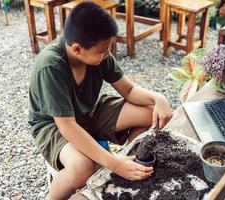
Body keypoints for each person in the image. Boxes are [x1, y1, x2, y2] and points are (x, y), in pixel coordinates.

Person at [28, 2, 173, 200]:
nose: (108, 53)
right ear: (77, 49)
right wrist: (113, 163)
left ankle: (132, 164)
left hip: (89, 111)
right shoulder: (51, 66)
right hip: (54, 124)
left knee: (150, 114)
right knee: (83, 168)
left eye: (109, 47)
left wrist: (158, 98)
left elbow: (129, 90)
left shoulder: (100, 54)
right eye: (104, 50)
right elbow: (67, 126)